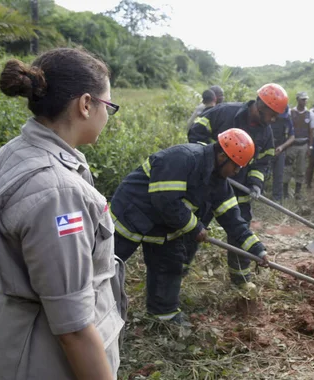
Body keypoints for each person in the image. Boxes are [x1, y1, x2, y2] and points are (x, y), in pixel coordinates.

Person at [0, 48, 126, 380]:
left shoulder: (12, 153)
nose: (108, 115)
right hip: (44, 360)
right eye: (109, 106)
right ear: (85, 104)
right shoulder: (58, 192)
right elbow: (74, 329)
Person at [110, 129, 269, 324]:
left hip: (165, 227)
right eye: (236, 167)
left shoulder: (219, 184)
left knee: (169, 265)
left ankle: (163, 316)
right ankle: (89, 308)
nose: (236, 172)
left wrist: (258, 250)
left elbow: (234, 222)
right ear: (222, 156)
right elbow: (165, 201)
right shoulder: (184, 158)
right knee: (107, 265)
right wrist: (196, 227)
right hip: (132, 215)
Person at [188, 83, 287, 288]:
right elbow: (196, 132)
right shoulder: (225, 112)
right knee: (194, 228)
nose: (273, 120)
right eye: (272, 114)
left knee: (239, 232)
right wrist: (211, 161)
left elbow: (262, 162)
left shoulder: (266, 134)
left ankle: (241, 279)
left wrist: (256, 183)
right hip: (210, 186)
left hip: (239, 192)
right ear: (261, 105)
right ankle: (177, 271)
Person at [284, 92, 314, 199]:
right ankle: (285, 192)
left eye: (306, 99)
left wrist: (310, 147)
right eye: (302, 99)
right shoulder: (290, 112)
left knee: (301, 169)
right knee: (287, 168)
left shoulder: (309, 114)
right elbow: (286, 128)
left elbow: (312, 131)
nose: (304, 101)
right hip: (292, 144)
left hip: (303, 145)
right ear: (297, 100)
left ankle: (297, 193)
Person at [270, 106, 294, 202]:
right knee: (262, 173)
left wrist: (282, 147)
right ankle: (260, 194)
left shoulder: (287, 120)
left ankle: (277, 198)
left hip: (280, 150)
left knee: (279, 175)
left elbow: (292, 137)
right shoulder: (268, 119)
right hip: (267, 150)